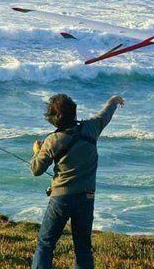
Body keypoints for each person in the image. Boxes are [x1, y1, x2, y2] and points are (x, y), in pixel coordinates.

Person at [30, 94, 124, 269]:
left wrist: (37, 150)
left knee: (46, 243)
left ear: (54, 119)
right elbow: (104, 115)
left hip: (61, 199)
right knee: (83, 248)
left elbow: (36, 170)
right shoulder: (90, 128)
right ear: (73, 112)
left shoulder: (52, 140)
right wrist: (113, 102)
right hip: (87, 197)